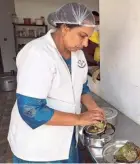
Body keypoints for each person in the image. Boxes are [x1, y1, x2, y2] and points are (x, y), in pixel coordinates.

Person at [7, 3, 105, 163]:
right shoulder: (37, 54)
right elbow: (30, 110)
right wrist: (80, 118)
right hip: (37, 146)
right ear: (65, 28)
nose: (86, 44)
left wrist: (94, 109)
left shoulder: (78, 55)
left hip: (65, 139)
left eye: (88, 37)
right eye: (82, 35)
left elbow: (82, 87)